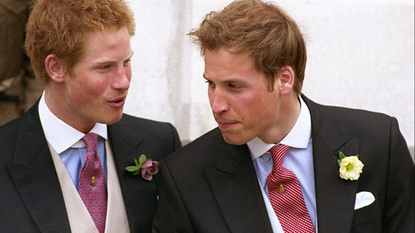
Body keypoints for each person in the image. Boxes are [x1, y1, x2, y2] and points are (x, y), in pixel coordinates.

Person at [152, 0, 414, 232]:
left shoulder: (379, 141)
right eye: (211, 84)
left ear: (284, 79)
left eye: (234, 86)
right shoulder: (185, 176)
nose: (216, 104)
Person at [0, 0, 181, 232]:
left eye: (126, 62)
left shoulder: (160, 142)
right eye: (104, 67)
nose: (124, 82)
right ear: (56, 68)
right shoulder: (5, 154)